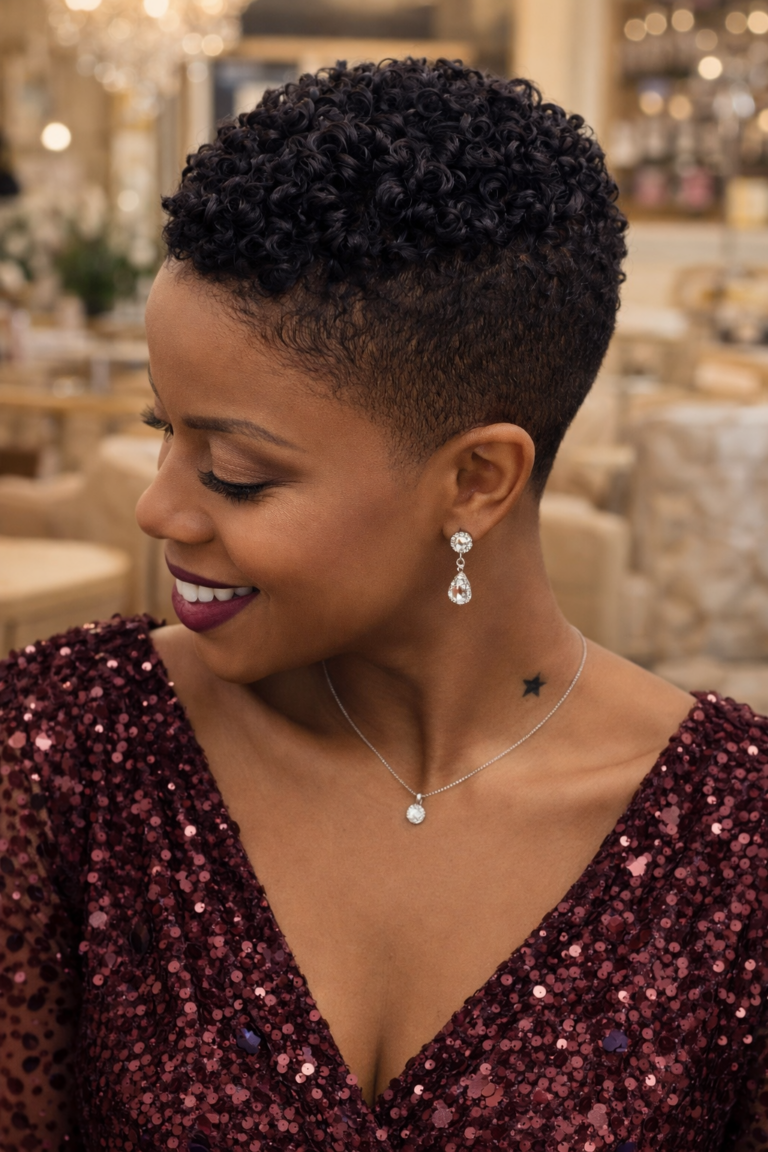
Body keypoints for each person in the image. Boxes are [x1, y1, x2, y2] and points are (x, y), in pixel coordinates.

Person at [1, 58, 766, 1152]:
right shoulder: (65, 751)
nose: (156, 509)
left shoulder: (734, 844)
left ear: (476, 481)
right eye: (163, 428)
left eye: (236, 473)